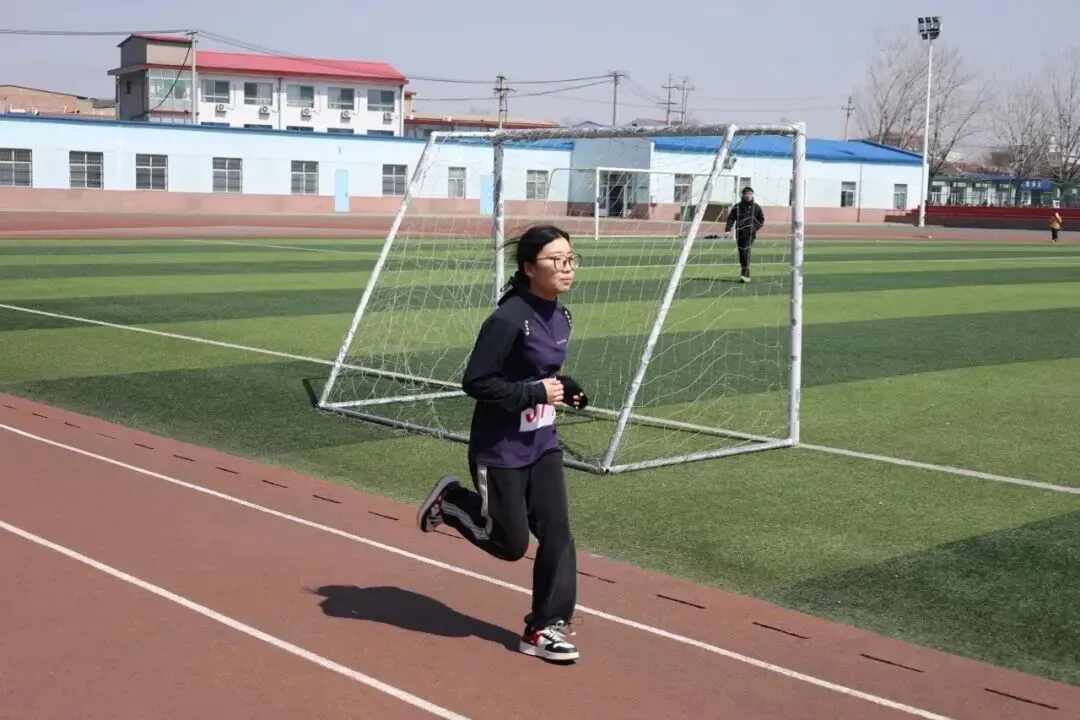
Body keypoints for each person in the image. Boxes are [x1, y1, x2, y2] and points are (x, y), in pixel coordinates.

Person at [416, 224, 587, 663]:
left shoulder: (562, 315)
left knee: (558, 533)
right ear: (529, 268)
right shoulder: (508, 319)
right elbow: (477, 381)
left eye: (571, 259)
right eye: (556, 260)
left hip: (543, 443)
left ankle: (543, 627)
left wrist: (565, 388)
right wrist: (534, 393)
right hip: (501, 448)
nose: (567, 268)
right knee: (510, 545)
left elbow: (539, 373)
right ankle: (452, 503)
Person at [724, 186, 765, 282]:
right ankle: (745, 274)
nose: (748, 196)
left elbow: (761, 220)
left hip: (750, 234)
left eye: (750, 194)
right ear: (742, 195)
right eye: (746, 194)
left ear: (752, 195)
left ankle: (745, 275)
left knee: (745, 251)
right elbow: (731, 218)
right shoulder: (737, 207)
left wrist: (754, 228)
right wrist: (727, 230)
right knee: (742, 254)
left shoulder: (756, 207)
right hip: (740, 234)